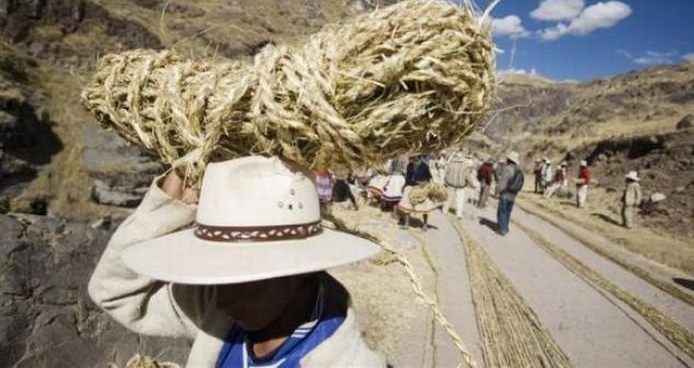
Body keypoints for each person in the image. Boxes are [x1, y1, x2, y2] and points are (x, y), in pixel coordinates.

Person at [88, 156, 384, 367]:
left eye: (243, 277)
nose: (223, 298)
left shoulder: (345, 360)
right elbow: (113, 292)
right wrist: (162, 210)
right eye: (216, 274)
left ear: (302, 270)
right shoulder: (222, 311)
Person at [495, 151, 524, 236]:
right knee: (508, 211)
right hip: (513, 194)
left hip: (505, 193)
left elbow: (503, 182)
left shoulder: (507, 169)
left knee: (502, 211)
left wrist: (498, 190)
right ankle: (506, 227)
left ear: (509, 160)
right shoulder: (519, 170)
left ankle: (502, 229)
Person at [401, 155, 432, 229]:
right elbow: (407, 177)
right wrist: (405, 185)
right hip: (410, 187)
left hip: (421, 188)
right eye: (411, 157)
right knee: (406, 205)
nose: (411, 159)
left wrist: (424, 184)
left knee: (424, 206)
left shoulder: (425, 166)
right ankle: (406, 224)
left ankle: (425, 224)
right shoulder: (409, 165)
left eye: (413, 157)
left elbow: (428, 178)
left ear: (418, 157)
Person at [444, 151, 471, 219]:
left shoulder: (451, 164)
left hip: (451, 184)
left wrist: (445, 181)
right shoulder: (465, 166)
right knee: (460, 200)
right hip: (460, 186)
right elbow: (468, 176)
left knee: (448, 198)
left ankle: (445, 210)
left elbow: (446, 174)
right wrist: (472, 184)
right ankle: (459, 214)